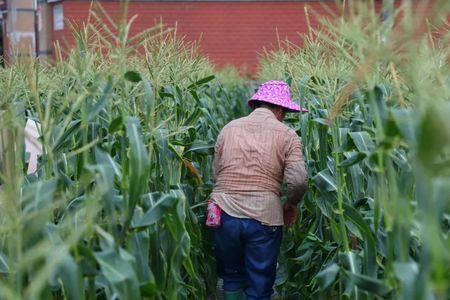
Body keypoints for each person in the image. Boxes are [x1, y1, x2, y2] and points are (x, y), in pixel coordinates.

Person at [209, 80, 308, 299]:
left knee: (231, 277)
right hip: (264, 216)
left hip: (223, 213)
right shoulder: (287, 135)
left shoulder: (229, 128)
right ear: (280, 109)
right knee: (259, 284)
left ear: (256, 105)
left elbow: (216, 172)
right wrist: (291, 204)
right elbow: (299, 181)